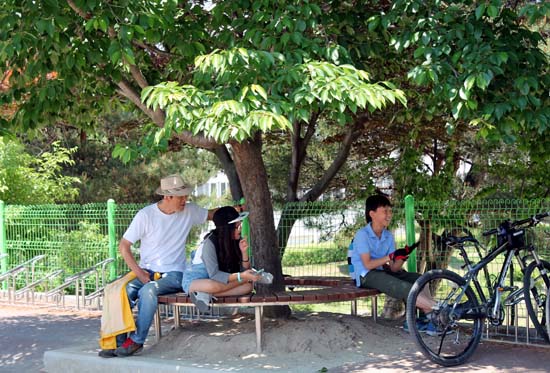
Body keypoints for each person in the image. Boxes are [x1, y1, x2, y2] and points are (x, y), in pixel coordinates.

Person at [111, 174, 218, 357]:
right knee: (123, 292)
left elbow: (213, 214)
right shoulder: (146, 215)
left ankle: (137, 341)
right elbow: (124, 246)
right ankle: (118, 343)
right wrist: (140, 273)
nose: (185, 200)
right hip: (147, 272)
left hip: (174, 274)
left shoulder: (190, 210)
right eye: (181, 196)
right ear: (167, 196)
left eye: (185, 195)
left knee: (148, 291)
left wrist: (238, 208)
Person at [350, 194, 438, 334]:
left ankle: (427, 319)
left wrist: (401, 257)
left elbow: (393, 268)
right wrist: (390, 256)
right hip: (364, 275)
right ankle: (439, 310)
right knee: (403, 287)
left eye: (390, 211)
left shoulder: (388, 236)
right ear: (372, 214)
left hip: (381, 271)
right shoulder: (362, 235)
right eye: (385, 211)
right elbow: (367, 265)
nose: (389, 214)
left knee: (420, 279)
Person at [181, 206, 265, 312]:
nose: (240, 229)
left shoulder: (234, 241)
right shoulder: (209, 244)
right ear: (227, 228)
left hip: (219, 283)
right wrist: (242, 277)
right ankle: (204, 292)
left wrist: (244, 253)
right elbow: (215, 275)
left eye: (240, 225)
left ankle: (205, 295)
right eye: (236, 226)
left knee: (248, 286)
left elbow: (242, 271)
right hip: (196, 282)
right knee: (212, 285)